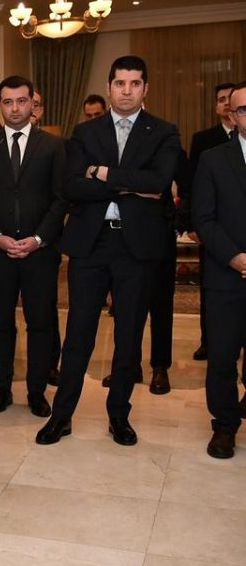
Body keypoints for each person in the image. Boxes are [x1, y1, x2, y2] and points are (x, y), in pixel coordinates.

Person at [37, 56, 182, 447]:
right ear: (109, 87)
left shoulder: (163, 132)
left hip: (137, 248)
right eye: (120, 83)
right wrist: (132, 185)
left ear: (145, 88)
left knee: (128, 335)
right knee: (78, 333)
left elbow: (159, 181)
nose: (127, 90)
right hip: (91, 244)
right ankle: (61, 416)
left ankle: (119, 416)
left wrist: (100, 172)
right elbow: (72, 187)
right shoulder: (85, 131)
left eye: (135, 83)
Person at [0, 76, 66, 417]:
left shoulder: (54, 145)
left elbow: (60, 199)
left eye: (21, 101)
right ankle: (1, 388)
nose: (15, 108)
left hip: (40, 253)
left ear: (32, 104)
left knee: (40, 324)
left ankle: (37, 391)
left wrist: (38, 239)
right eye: (8, 102)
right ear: (0, 105)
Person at [191, 81, 246, 459]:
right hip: (226, 274)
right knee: (223, 356)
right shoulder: (213, 159)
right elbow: (204, 218)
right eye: (242, 109)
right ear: (232, 114)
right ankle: (225, 425)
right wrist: (234, 257)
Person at [189, 82, 238, 363]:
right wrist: (194, 224)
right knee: (214, 292)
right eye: (221, 99)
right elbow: (193, 185)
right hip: (216, 232)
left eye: (231, 99)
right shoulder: (205, 141)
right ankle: (209, 341)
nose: (226, 104)